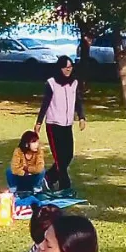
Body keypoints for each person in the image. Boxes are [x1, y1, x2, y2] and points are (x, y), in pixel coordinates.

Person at [35, 56, 86, 192]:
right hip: (53, 124)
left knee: (68, 155)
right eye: (65, 67)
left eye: (70, 67)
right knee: (60, 158)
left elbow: (78, 101)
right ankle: (65, 186)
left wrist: (81, 117)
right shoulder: (51, 83)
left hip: (67, 124)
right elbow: (45, 103)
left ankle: (49, 177)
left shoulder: (74, 83)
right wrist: (39, 122)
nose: (68, 70)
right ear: (60, 68)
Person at [6, 128, 49, 201]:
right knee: (9, 171)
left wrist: (27, 169)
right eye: (34, 142)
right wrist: (24, 173)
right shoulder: (18, 151)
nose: (36, 145)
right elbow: (14, 168)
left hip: (33, 178)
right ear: (26, 144)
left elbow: (39, 168)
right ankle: (13, 191)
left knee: (42, 171)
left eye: (37, 142)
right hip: (20, 177)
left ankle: (37, 190)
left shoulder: (39, 151)